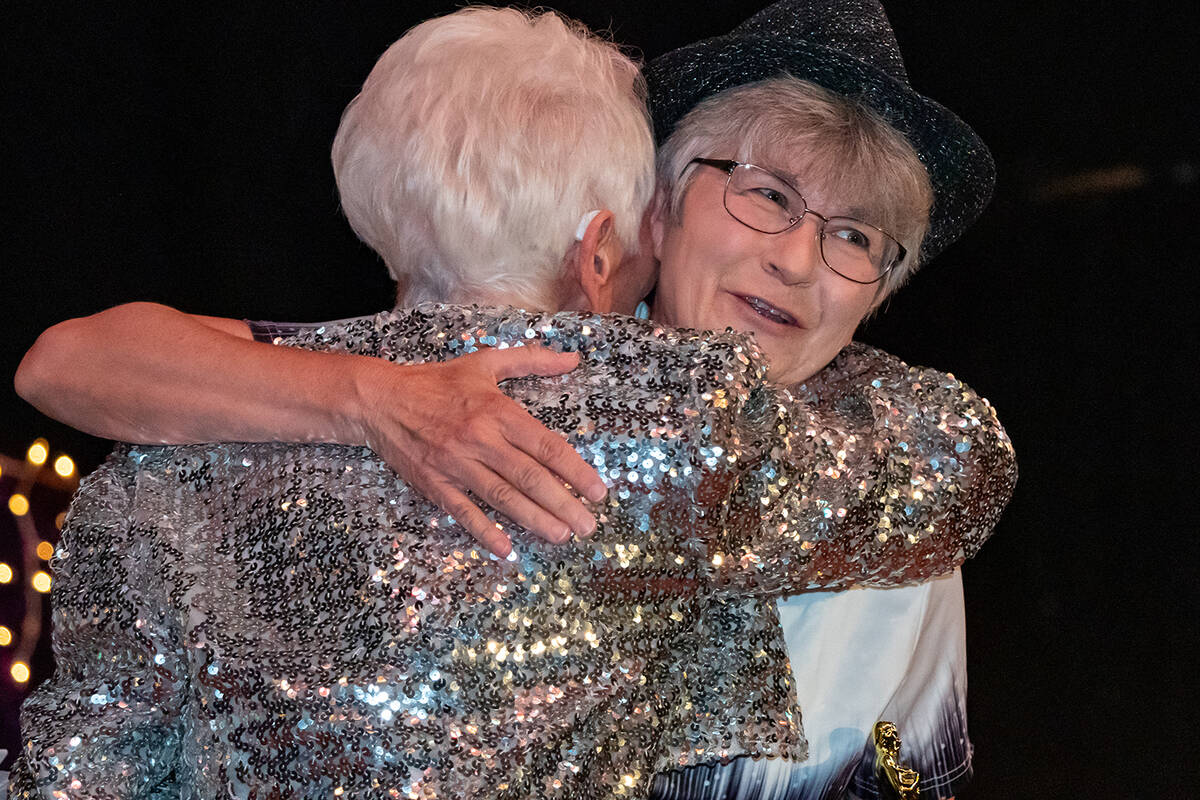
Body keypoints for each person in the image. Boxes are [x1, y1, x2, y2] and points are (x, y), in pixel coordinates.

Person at [13, 2, 1014, 798]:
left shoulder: (883, 437)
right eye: (768, 195)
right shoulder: (667, 417)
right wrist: (370, 397)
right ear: (649, 216)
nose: (798, 259)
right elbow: (77, 360)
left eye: (857, 238)